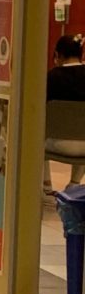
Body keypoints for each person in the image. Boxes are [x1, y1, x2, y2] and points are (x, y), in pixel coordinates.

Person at [46, 34, 85, 191]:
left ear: (57, 55)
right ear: (81, 54)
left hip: (55, 143)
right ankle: (74, 183)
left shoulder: (51, 78)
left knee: (35, 134)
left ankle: (45, 184)